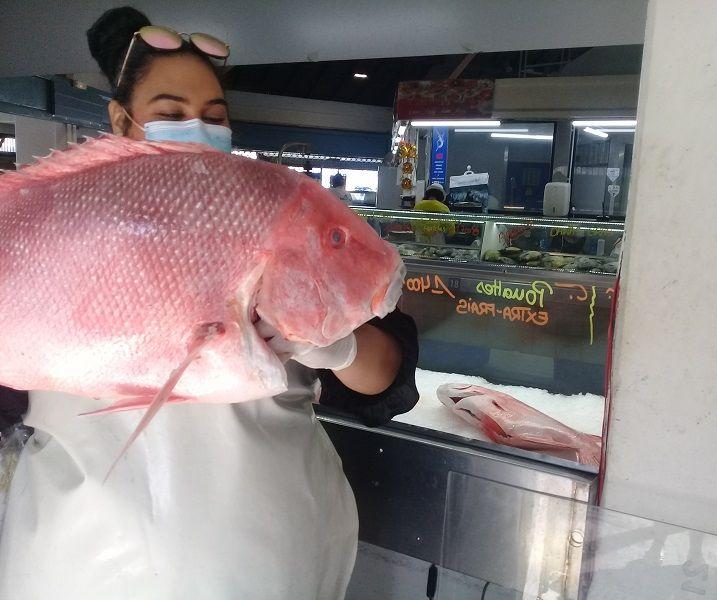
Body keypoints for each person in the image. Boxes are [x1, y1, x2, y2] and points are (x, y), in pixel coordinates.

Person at [0, 7, 418, 600]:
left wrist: (339, 345)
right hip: (81, 567)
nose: (195, 129)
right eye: (170, 115)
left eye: (213, 117)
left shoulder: (272, 209)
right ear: (121, 120)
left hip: (271, 562)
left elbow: (389, 379)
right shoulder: (60, 211)